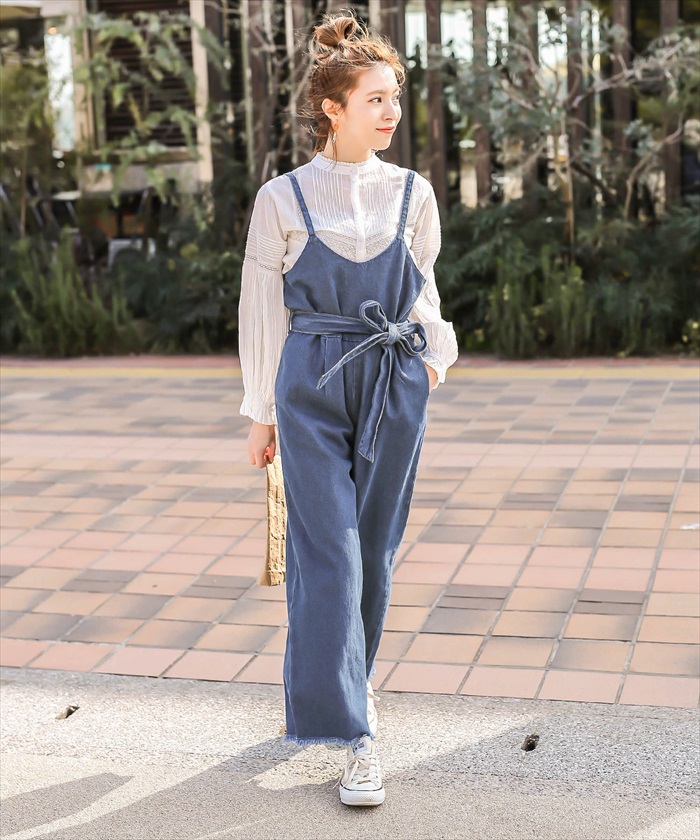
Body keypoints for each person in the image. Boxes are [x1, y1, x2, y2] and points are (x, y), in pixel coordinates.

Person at [238, 10, 459, 807]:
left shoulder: (414, 193)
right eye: (376, 98)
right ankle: (356, 734)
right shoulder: (283, 197)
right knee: (329, 549)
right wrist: (260, 410)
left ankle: (350, 687)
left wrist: (433, 358)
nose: (392, 111)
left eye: (395, 96)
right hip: (311, 383)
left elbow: (424, 286)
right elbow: (261, 310)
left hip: (394, 376)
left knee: (374, 547)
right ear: (333, 109)